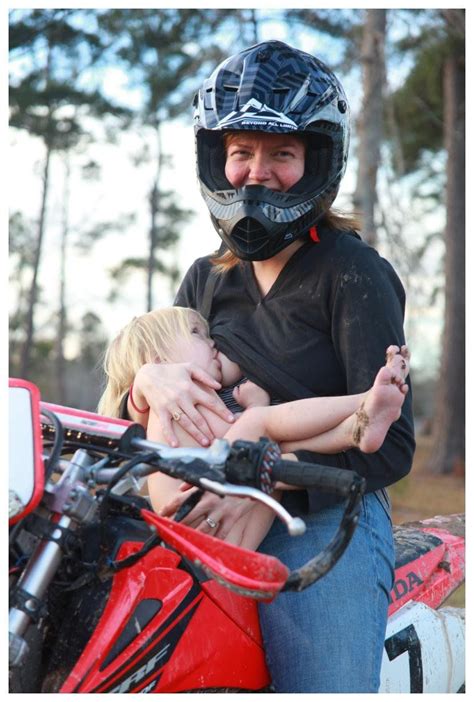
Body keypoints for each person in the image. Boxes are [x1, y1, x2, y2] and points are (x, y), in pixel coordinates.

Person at [122, 41, 416, 693]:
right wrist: (148, 383)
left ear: (316, 160)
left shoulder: (352, 272)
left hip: (321, 519)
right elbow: (141, 410)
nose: (257, 173)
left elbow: (392, 449)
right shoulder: (205, 280)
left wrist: (272, 476)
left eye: (281, 153)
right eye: (241, 152)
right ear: (216, 159)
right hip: (209, 504)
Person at [98, 306, 410, 551]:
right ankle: (363, 402)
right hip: (210, 539)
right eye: (196, 333)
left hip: (222, 535)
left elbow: (246, 447)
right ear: (160, 361)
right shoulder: (173, 408)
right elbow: (252, 433)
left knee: (265, 461)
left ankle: (355, 429)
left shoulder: (189, 404)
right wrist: (257, 407)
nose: (212, 341)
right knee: (258, 427)